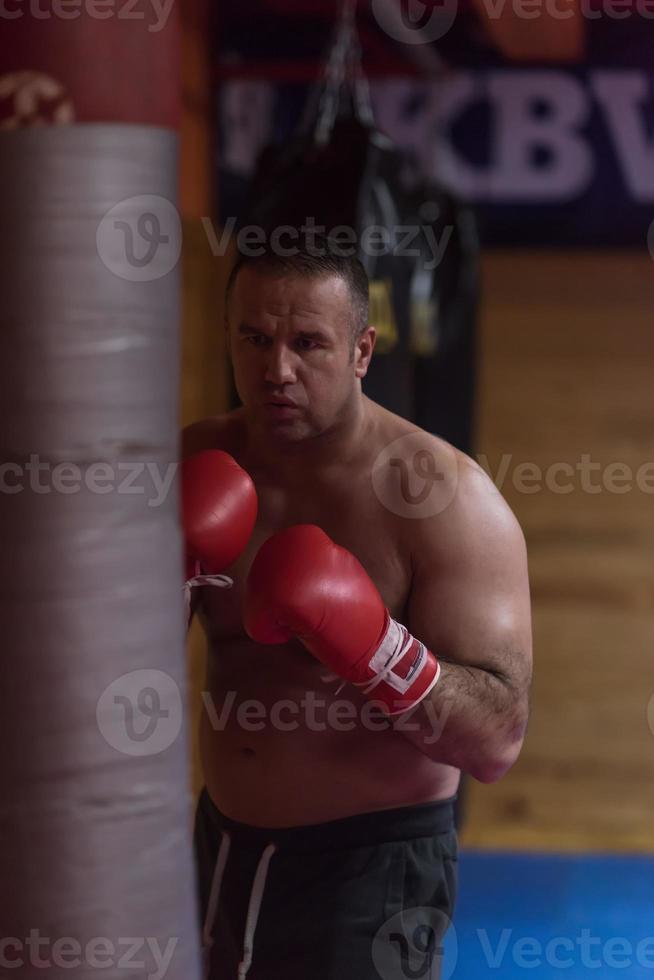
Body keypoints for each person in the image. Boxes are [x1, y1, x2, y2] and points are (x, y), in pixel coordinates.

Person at [182, 235, 532, 980]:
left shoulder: (442, 497)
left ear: (363, 350)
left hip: (374, 871)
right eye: (255, 337)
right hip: (219, 849)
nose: (277, 369)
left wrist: (375, 648)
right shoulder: (193, 468)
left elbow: (497, 740)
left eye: (308, 342)